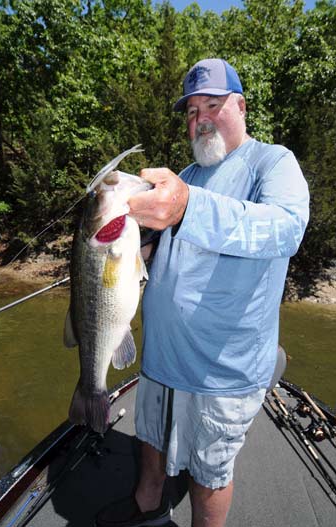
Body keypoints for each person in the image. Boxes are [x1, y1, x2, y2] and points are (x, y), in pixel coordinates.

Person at [95, 58, 310, 527]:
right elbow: (159, 249)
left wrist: (188, 206)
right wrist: (127, 243)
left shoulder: (272, 163)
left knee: (210, 472)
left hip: (222, 369)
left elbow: (285, 230)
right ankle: (147, 505)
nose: (200, 119)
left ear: (241, 106)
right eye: (191, 111)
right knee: (149, 436)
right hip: (161, 357)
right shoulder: (186, 175)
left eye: (212, 104)